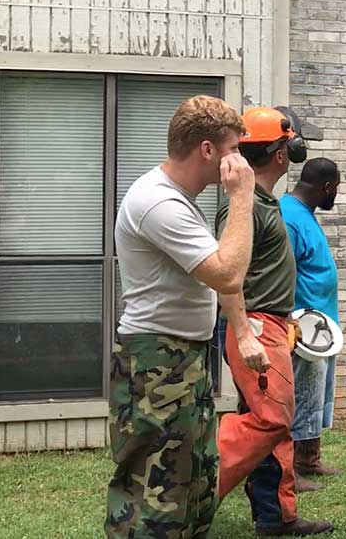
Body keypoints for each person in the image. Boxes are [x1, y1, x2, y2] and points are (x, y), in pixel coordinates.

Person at [107, 95, 255, 538]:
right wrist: (242, 196)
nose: (240, 162)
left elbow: (217, 277)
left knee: (194, 481)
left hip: (180, 358)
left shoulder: (179, 199)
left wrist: (244, 331)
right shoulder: (159, 204)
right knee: (157, 493)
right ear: (207, 150)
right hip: (157, 363)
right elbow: (227, 273)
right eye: (234, 149)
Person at [215, 106, 332, 536]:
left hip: (272, 323)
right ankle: (192, 485)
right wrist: (248, 332)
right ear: (283, 152)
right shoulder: (243, 207)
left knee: (274, 426)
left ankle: (276, 516)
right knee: (272, 419)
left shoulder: (263, 203)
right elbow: (229, 277)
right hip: (257, 327)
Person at [280, 157, 345, 492]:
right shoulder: (289, 217)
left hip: (321, 323)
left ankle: (309, 458)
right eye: (336, 187)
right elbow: (281, 273)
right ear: (326, 187)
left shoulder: (303, 213)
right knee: (300, 395)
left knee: (316, 392)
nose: (336, 193)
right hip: (302, 325)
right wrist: (290, 321)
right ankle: (290, 469)